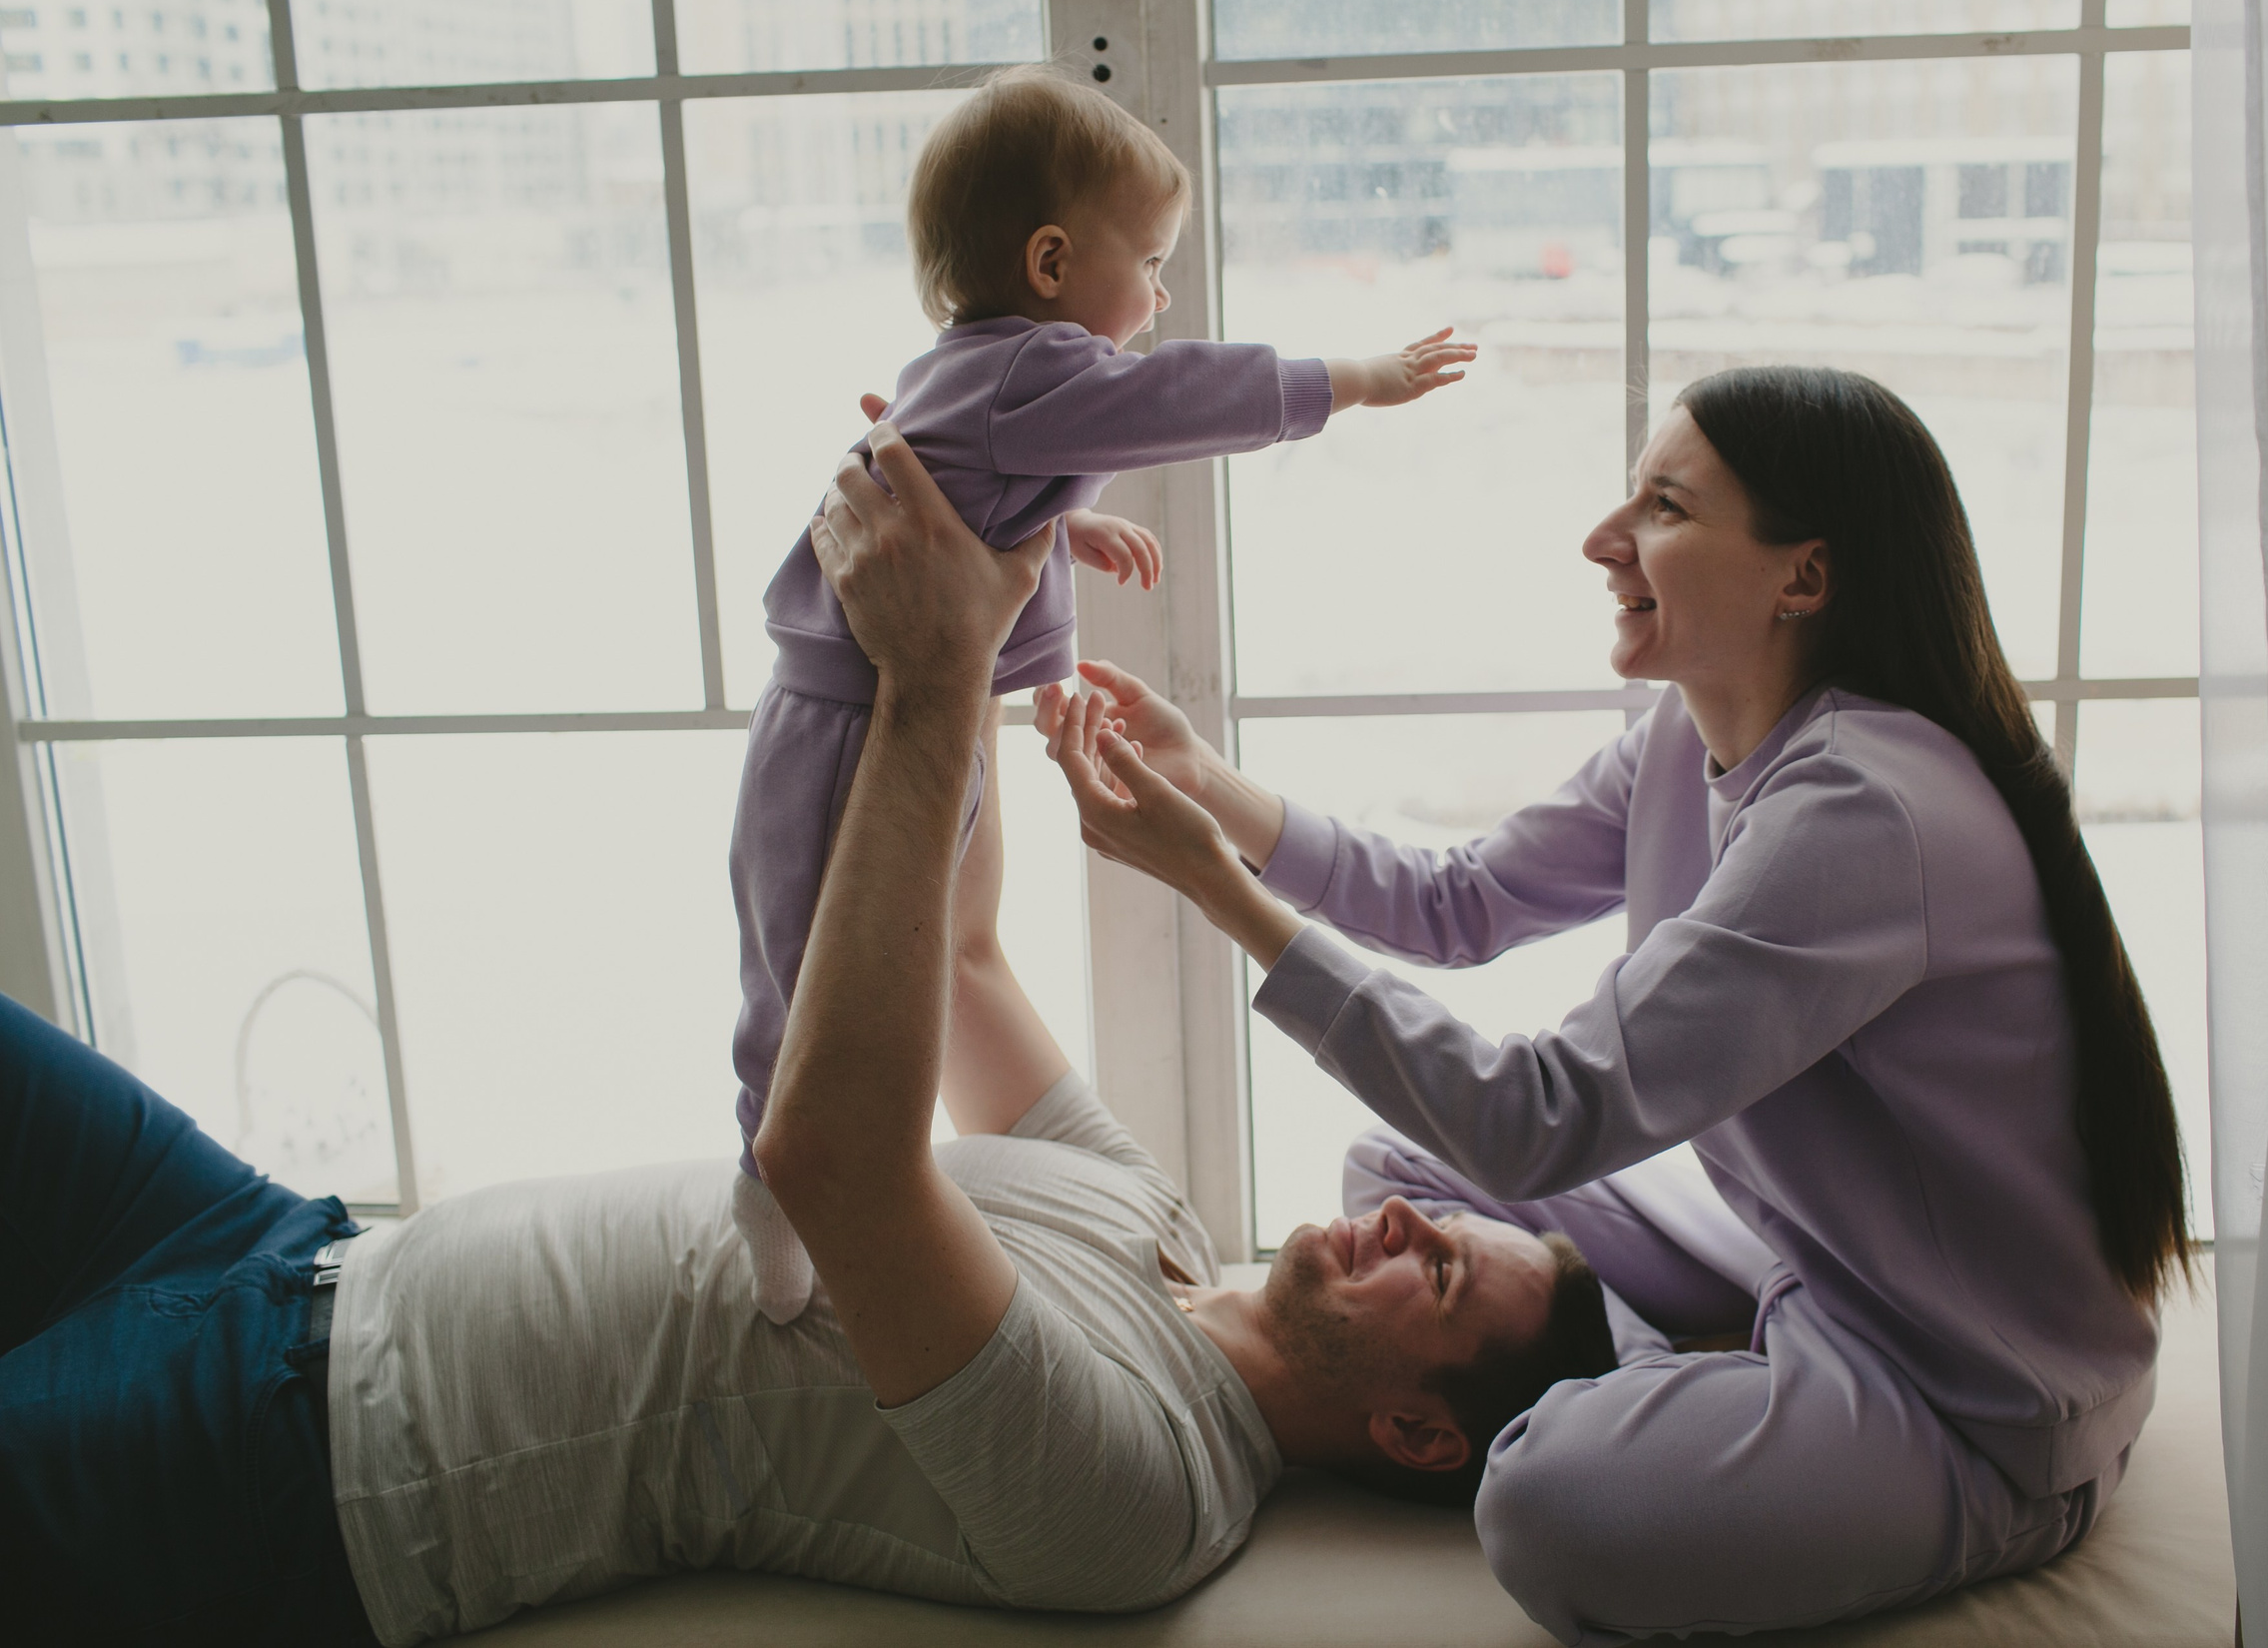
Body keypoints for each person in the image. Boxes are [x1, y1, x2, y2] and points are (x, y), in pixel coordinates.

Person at [0, 430, 1615, 1648]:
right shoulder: (1159, 1219)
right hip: (282, 1246)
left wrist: (935, 670)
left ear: (1417, 1429)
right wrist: (1008, 580)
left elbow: (833, 1162)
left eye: (1439, 1271)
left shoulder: (1146, 1486)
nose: (1402, 1216)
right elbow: (963, 956)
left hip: (302, 1456)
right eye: (1441, 1217)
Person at [1037, 365, 2194, 1642]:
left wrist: (1212, 883)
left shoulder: (1863, 812)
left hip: (1964, 1391)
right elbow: (1459, 899)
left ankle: (1658, 1379)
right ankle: (1667, 1364)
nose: (1603, 538)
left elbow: (1536, 1118)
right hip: (1806, 1263)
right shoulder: (1690, 738)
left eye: (1664, 508)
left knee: (1545, 1504)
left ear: (1803, 577)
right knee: (1395, 1163)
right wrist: (1207, 783)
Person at [728, 63, 1474, 1323]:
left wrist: (1069, 527)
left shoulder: (978, 370)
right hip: (840, 726)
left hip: (890, 713)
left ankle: (795, 1165)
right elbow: (1174, 398)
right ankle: (765, 1175)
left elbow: (968, 484)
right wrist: (1352, 380)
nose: (1162, 297)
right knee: (799, 964)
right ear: (1052, 261)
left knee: (916, 956)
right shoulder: (1033, 367)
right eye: (1153, 261)